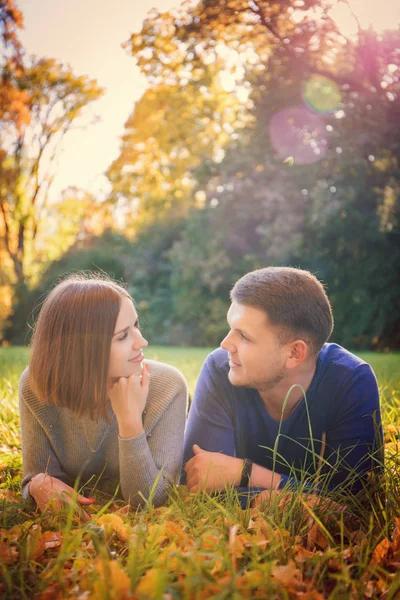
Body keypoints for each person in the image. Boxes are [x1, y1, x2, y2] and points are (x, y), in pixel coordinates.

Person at [182, 267, 382, 504]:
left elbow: (355, 506)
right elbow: (200, 488)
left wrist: (245, 473)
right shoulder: (220, 369)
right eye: (230, 328)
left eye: (244, 336)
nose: (225, 343)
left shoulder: (351, 382)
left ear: (294, 353)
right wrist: (303, 498)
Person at [19, 273, 188, 517]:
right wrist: (36, 485)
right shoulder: (37, 385)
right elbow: (39, 477)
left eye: (136, 326)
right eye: (122, 336)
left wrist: (130, 421)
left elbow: (150, 499)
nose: (142, 342)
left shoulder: (168, 387)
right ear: (82, 348)